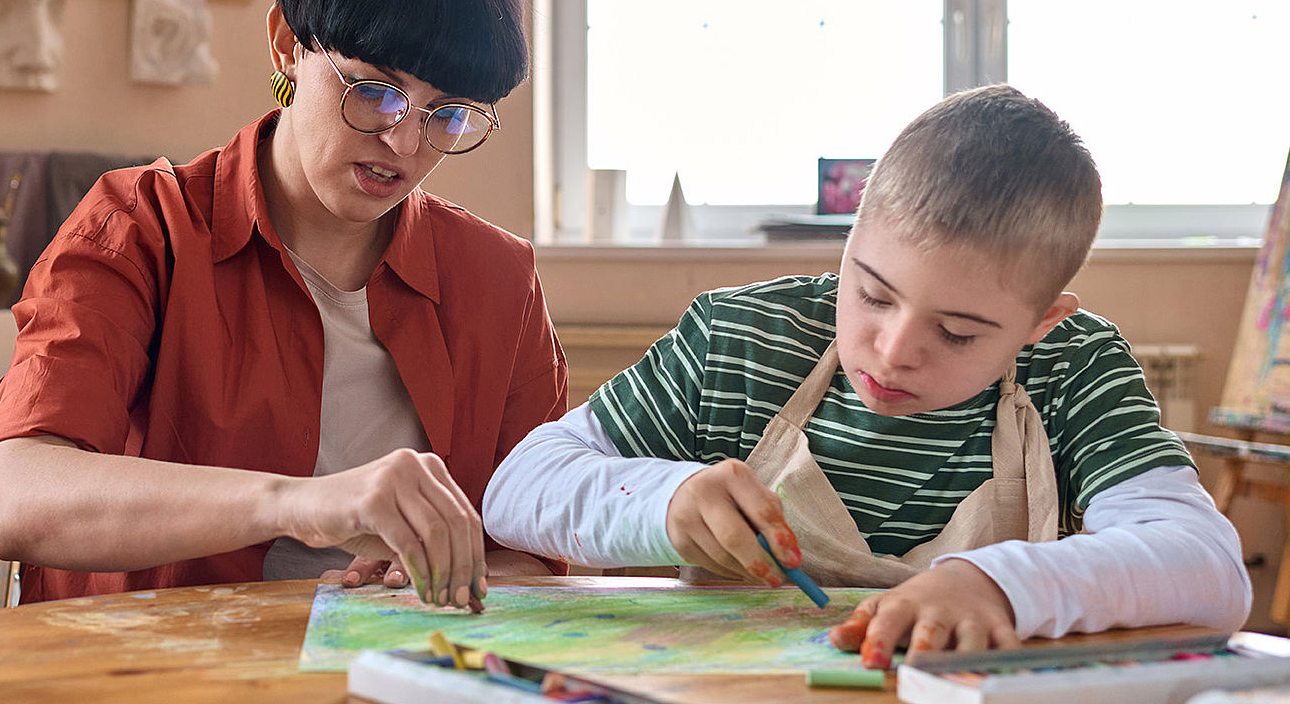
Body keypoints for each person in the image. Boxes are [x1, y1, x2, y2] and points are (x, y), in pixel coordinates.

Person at [483, 85, 1250, 668]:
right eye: (873, 292)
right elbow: (517, 489)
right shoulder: (741, 341)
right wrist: (665, 499)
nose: (891, 349)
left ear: (1041, 321)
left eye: (956, 331)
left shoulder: (1073, 366)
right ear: (850, 242)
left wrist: (996, 584)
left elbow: (1207, 563)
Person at [0, 0, 566, 607]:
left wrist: (441, 577)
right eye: (375, 92)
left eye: (447, 115)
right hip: (161, 669)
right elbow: (19, 499)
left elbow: (542, 547)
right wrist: (301, 502)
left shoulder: (498, 280)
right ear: (288, 44)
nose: (405, 143)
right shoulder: (140, 228)